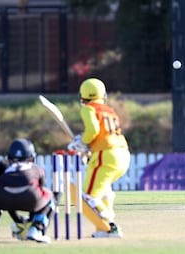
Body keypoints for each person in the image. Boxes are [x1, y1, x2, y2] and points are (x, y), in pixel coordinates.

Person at [68, 78, 130, 238]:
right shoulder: (109, 110)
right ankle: (102, 229)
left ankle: (110, 226)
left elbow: (93, 130)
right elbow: (103, 133)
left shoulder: (89, 108)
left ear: (83, 96)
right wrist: (88, 147)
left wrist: (81, 142)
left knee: (88, 196)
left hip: (107, 154)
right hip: (123, 154)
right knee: (104, 192)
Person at [0, 138, 55, 243]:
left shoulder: (3, 167)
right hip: (31, 198)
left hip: (2, 198)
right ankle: (36, 229)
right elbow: (40, 191)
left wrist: (18, 219)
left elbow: (3, 187)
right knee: (50, 196)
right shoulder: (36, 168)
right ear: (31, 158)